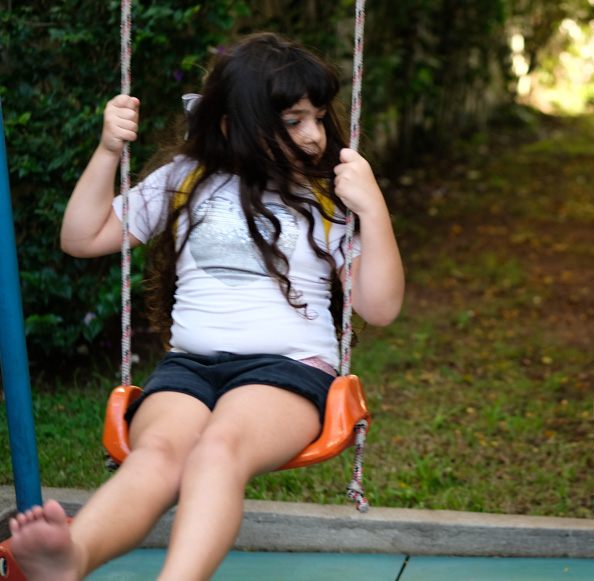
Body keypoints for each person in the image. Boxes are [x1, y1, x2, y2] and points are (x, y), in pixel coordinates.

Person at [8, 32, 405, 581]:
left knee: (218, 449)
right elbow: (83, 237)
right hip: (190, 367)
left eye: (316, 117)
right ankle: (70, 557)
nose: (314, 135)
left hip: (288, 370)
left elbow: (380, 307)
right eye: (293, 122)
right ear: (230, 125)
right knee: (159, 454)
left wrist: (374, 209)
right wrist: (106, 152)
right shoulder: (186, 180)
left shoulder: (328, 200)